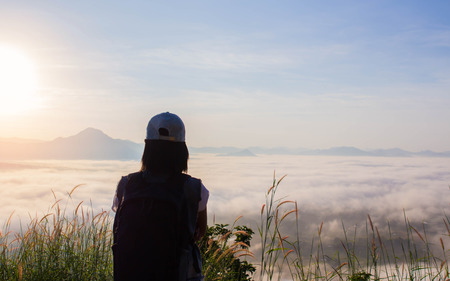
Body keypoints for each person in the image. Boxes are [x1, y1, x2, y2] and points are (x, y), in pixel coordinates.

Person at [111, 112, 209, 281]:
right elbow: (199, 232)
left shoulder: (126, 185)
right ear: (182, 150)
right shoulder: (195, 189)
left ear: (147, 148)